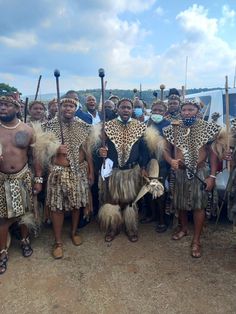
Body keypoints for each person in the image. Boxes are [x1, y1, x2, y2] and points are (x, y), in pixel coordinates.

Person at [163, 99, 226, 258]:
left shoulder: (207, 128)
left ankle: (196, 240)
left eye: (190, 110)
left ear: (197, 111)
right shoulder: (173, 128)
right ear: (180, 111)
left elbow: (213, 154)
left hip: (200, 172)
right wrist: (171, 161)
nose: (187, 113)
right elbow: (164, 149)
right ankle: (183, 228)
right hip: (180, 173)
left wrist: (212, 176)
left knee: (199, 206)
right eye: (184, 110)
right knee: (181, 203)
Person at [97, 98, 164, 242]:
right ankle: (113, 227)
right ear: (118, 109)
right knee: (113, 201)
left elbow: (144, 151)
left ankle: (131, 228)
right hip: (114, 171)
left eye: (128, 107)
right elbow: (100, 149)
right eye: (123, 107)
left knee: (130, 202)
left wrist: (144, 167)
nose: (126, 110)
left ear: (132, 110)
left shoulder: (140, 127)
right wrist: (101, 151)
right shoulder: (107, 127)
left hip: (132, 171)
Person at [43, 98, 94, 259]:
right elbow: (41, 152)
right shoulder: (49, 126)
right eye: (65, 105)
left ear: (75, 108)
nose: (68, 108)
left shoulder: (83, 126)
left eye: (71, 106)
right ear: (59, 107)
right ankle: (58, 242)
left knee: (76, 204)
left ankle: (73, 232)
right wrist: (56, 149)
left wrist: (91, 171)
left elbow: (87, 151)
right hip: (59, 171)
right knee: (57, 207)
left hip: (79, 171)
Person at [0, 96, 43, 274]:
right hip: (1, 179)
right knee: (2, 218)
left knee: (25, 214)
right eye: (1, 105)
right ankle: (2, 252)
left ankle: (25, 240)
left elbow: (36, 157)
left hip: (23, 176)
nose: (2, 108)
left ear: (17, 108)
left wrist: (38, 179)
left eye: (7, 105)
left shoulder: (27, 130)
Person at [141, 101, 170, 232]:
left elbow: (171, 148)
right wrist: (142, 166)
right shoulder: (146, 124)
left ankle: (162, 220)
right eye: (155, 110)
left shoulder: (168, 126)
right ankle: (151, 215)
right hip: (148, 162)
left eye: (160, 111)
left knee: (160, 192)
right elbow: (143, 148)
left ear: (165, 113)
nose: (157, 113)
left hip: (162, 164)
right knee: (148, 190)